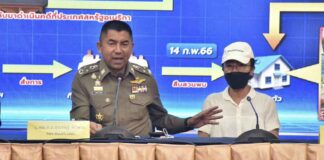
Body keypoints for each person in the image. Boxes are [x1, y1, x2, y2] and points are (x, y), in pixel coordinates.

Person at [70, 20, 223, 136]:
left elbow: (160, 120)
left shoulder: (145, 78)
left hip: (140, 152)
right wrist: (86, 127)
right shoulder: (84, 78)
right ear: (99, 46)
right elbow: (79, 124)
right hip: (100, 152)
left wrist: (189, 122)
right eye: (111, 43)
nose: (118, 50)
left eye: (124, 44)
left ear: (132, 47)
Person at [198, 41, 280, 137]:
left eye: (241, 65)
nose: (234, 70)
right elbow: (203, 136)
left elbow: (273, 137)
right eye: (229, 66)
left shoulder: (266, 102)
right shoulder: (212, 101)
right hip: (219, 152)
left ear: (252, 69)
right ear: (223, 69)